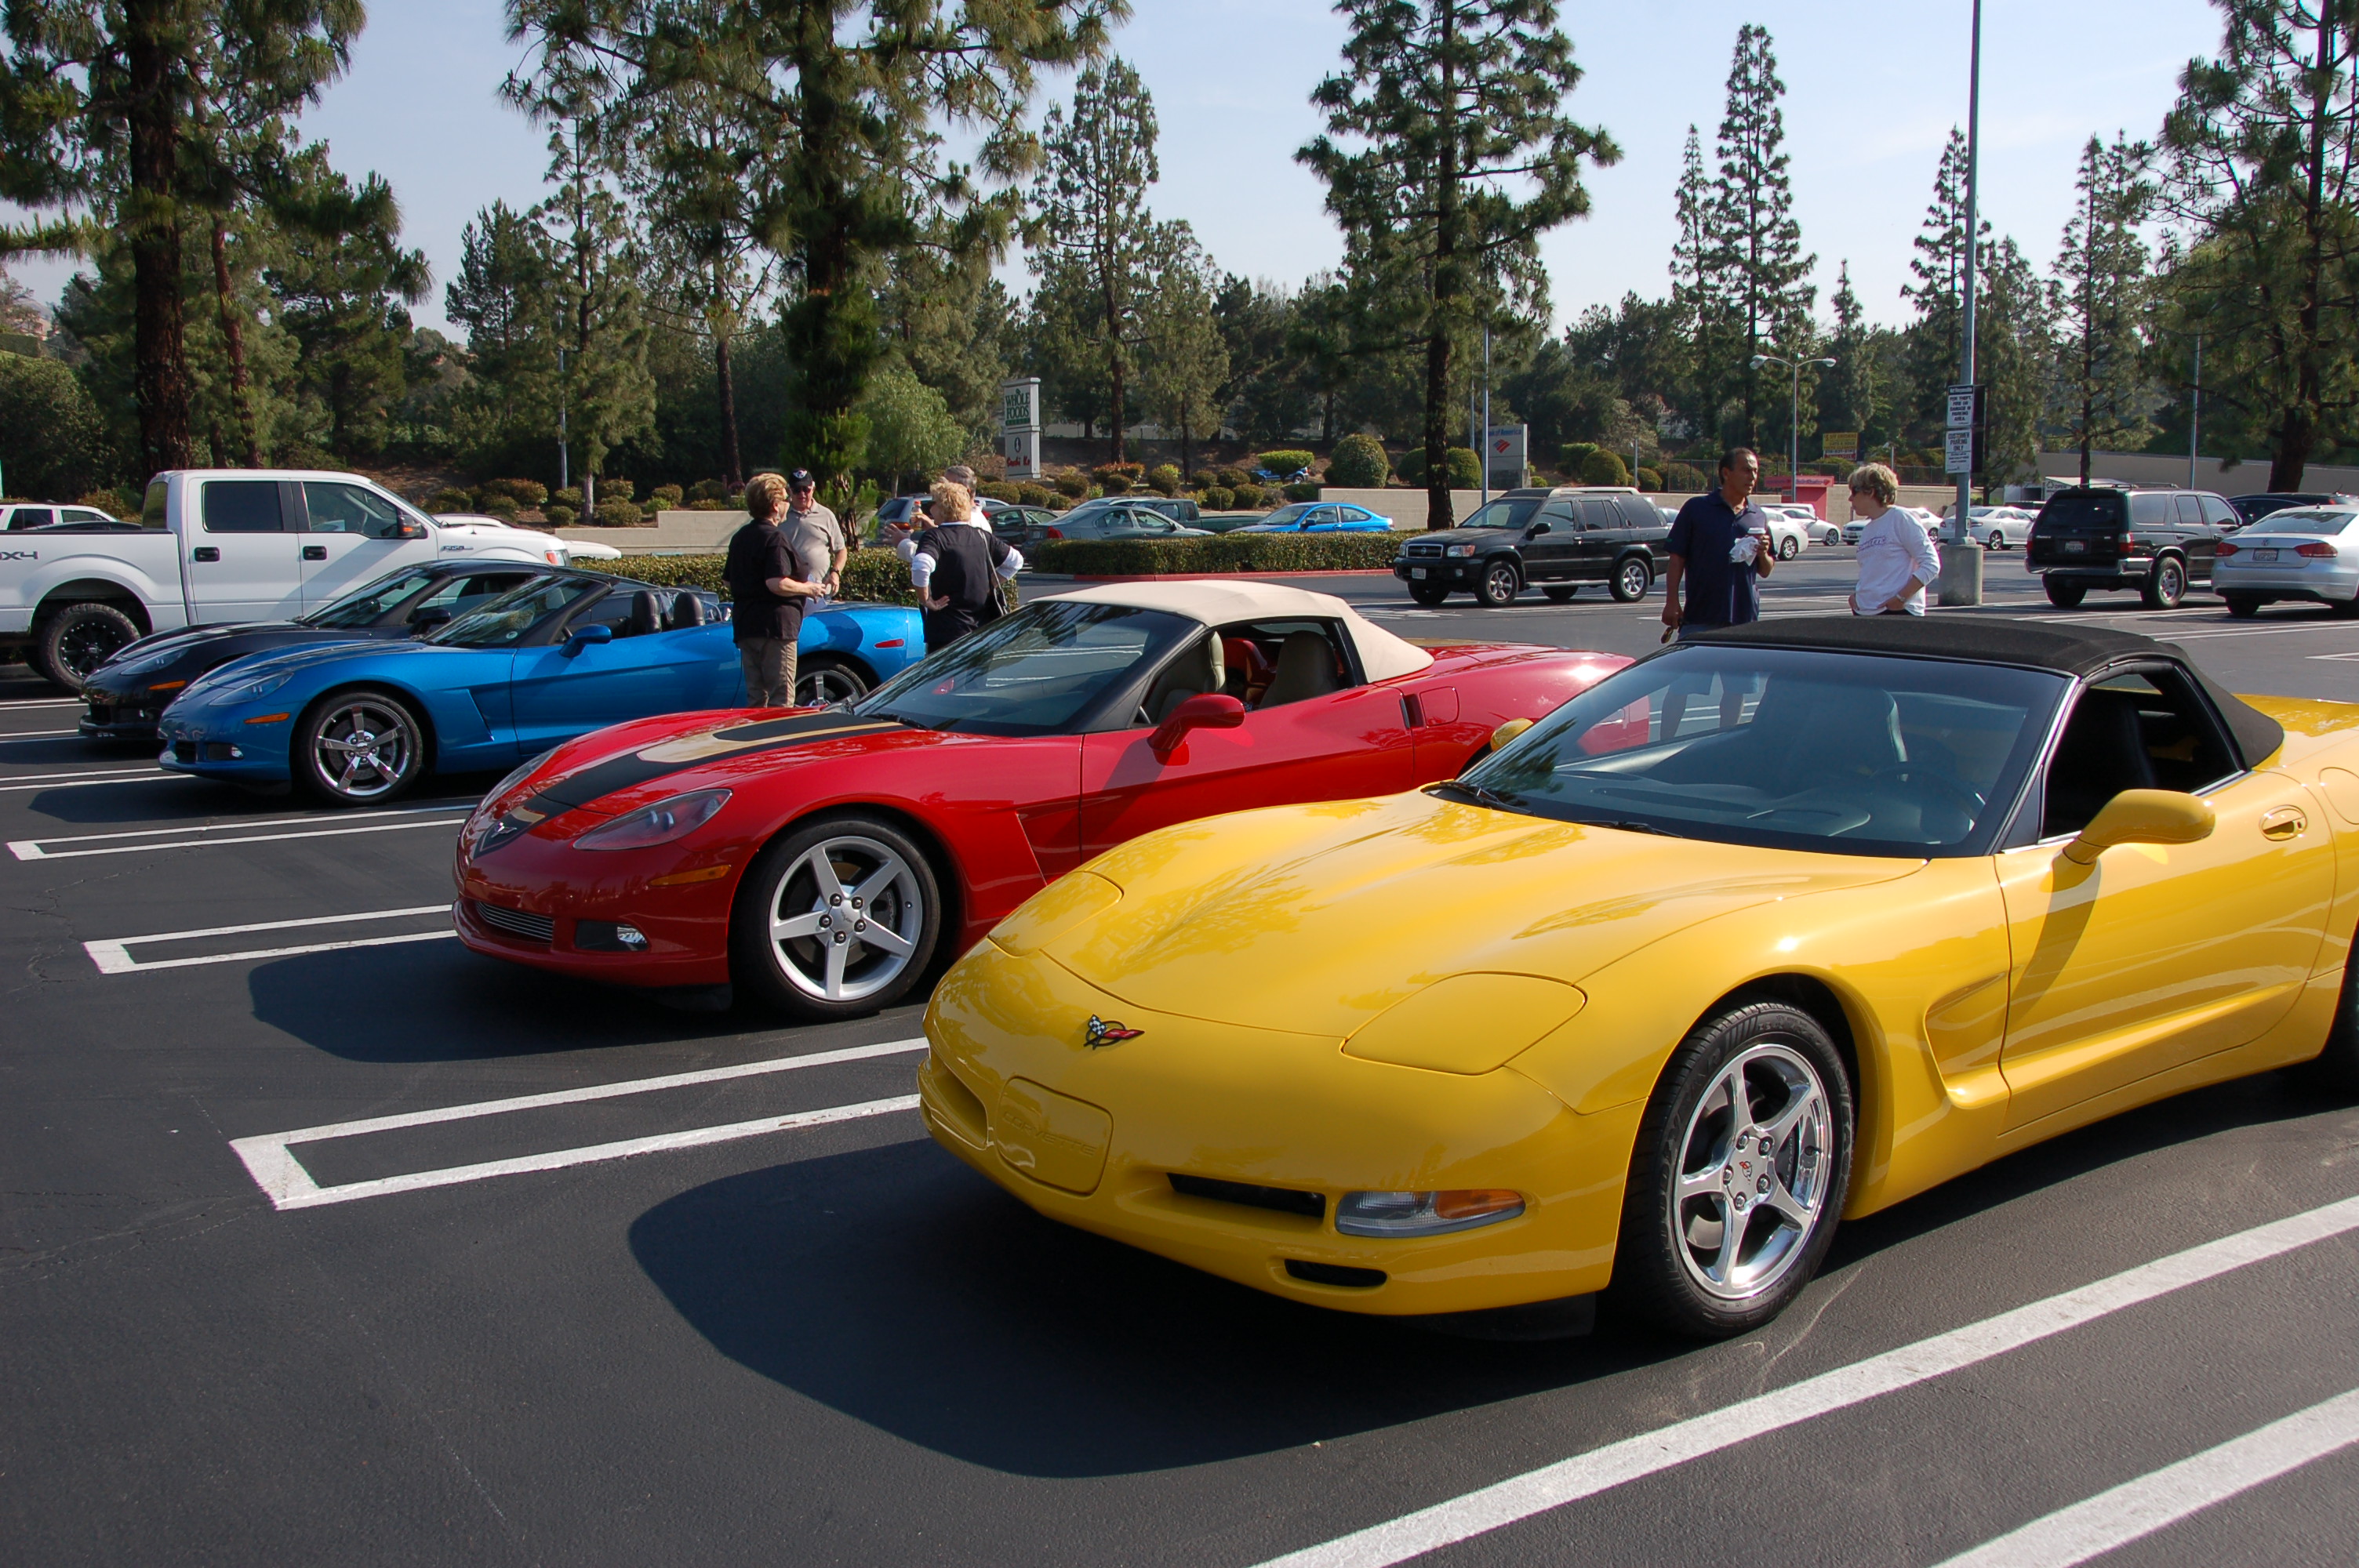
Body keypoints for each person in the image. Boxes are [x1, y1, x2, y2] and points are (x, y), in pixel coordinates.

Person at [723, 471, 827, 706]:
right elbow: (776, 582)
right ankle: (778, 741)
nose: (789, 503)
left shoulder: (740, 537)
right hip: (776, 628)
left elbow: (728, 581)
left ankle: (759, 739)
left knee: (756, 697)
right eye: (785, 499)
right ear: (774, 505)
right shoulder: (774, 538)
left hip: (746, 626)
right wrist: (808, 588)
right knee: (781, 696)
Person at [1663, 448, 1774, 641]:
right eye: (1746, 470)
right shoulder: (1697, 509)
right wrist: (1672, 601)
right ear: (1726, 473)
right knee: (1694, 671)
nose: (1753, 477)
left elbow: (1765, 571)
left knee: (1744, 673)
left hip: (1745, 620)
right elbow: (1677, 558)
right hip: (1701, 618)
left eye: (1756, 471)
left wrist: (1763, 554)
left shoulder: (1757, 515)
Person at [909, 477, 1021, 652]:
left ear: (943, 508)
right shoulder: (983, 536)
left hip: (947, 632)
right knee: (976, 679)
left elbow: (921, 565)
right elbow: (1015, 561)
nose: (930, 509)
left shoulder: (935, 537)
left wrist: (926, 600)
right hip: (981, 631)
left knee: (944, 679)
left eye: (934, 503)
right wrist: (989, 583)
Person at [1846, 463, 1941, 615]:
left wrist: (1901, 598)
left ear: (1870, 492)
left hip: (1897, 612)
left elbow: (1931, 564)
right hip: (1865, 611)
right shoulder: (1869, 528)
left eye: (1854, 492)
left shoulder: (1901, 518)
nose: (1850, 498)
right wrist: (1856, 597)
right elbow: (1873, 571)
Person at [781, 469, 845, 605]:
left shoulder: (826, 515)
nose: (802, 494)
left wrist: (836, 572)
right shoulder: (780, 516)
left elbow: (841, 550)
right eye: (797, 490)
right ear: (789, 490)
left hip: (820, 593)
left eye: (806, 489)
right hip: (789, 593)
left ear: (813, 488)